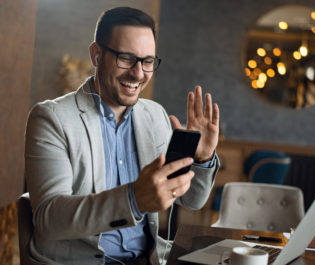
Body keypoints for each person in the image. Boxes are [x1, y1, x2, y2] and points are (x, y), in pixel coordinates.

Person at [25, 6, 220, 265]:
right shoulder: (52, 118)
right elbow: (48, 219)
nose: (138, 73)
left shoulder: (155, 115)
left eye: (148, 61)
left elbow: (191, 201)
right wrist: (134, 199)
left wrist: (202, 159)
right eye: (126, 58)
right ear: (96, 55)